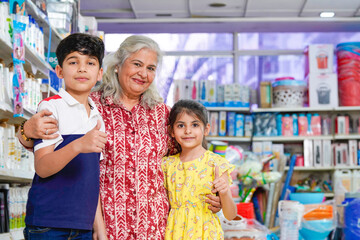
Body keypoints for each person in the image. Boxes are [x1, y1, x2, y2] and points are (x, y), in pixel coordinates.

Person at [18, 35, 222, 240]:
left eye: (151, 68)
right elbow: (42, 148)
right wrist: (25, 129)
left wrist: (212, 194)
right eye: (137, 64)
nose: (143, 73)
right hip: (104, 225)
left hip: (153, 226)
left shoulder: (163, 115)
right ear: (117, 65)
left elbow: (188, 159)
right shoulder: (90, 103)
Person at [22, 33, 108, 240]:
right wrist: (78, 145)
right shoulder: (51, 107)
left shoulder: (96, 115)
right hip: (48, 224)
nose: (82, 68)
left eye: (90, 62)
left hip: (83, 225)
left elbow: (91, 177)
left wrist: (99, 227)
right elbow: (42, 167)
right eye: (73, 62)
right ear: (59, 71)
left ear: (99, 74)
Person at [162, 99, 237, 239]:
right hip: (175, 233)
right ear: (171, 131)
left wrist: (225, 192)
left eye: (195, 124)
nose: (188, 131)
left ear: (206, 129)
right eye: (181, 125)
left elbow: (231, 215)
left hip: (206, 234)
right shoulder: (167, 165)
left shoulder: (216, 164)